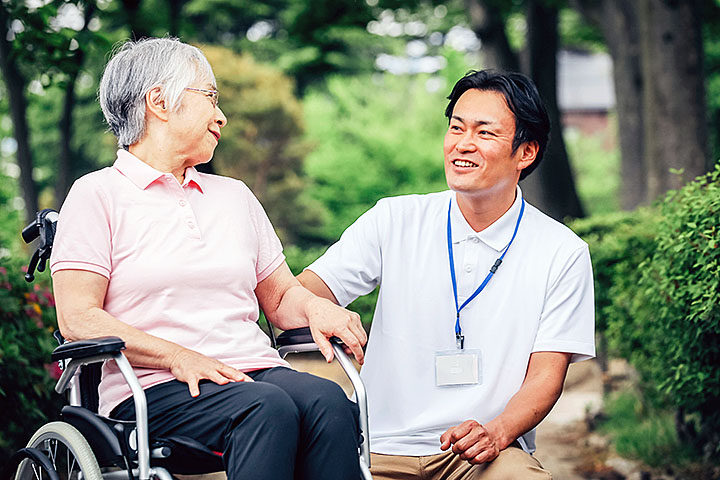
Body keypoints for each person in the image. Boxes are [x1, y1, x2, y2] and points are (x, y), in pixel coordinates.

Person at [49, 37, 367, 480]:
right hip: (154, 386)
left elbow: (279, 297)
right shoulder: (96, 194)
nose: (222, 116)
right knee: (265, 407)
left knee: (327, 401)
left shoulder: (234, 196)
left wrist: (316, 307)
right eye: (210, 97)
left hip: (252, 372)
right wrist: (178, 356)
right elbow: (78, 318)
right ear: (159, 101)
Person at [298, 70, 595, 479]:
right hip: (377, 448)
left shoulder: (562, 252)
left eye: (484, 133)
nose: (462, 144)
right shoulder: (394, 219)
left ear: (525, 152)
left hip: (486, 452)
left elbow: (546, 376)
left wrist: (497, 431)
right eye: (456, 127)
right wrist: (316, 308)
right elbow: (302, 292)